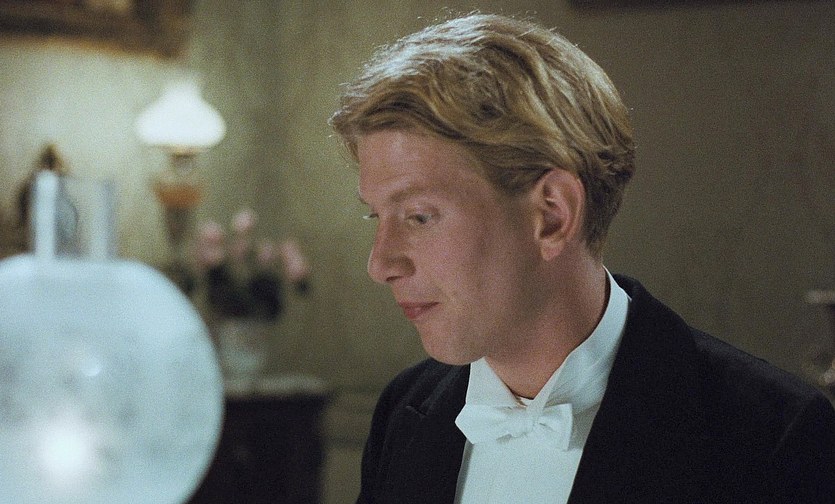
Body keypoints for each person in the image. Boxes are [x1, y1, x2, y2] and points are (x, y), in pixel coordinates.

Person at [329, 13, 835, 504]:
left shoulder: (773, 438)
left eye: (419, 216)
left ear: (552, 215)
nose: (380, 264)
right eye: (376, 215)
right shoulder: (404, 412)